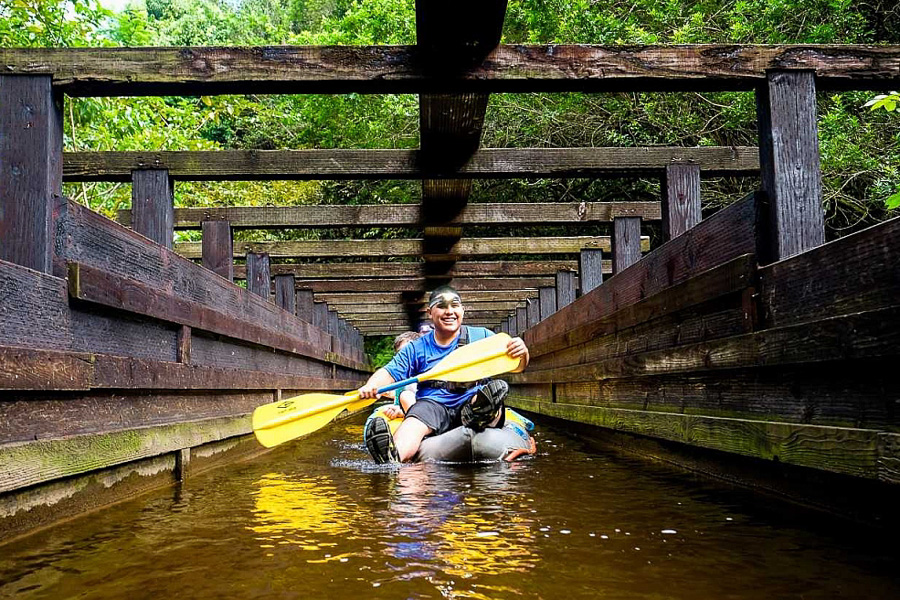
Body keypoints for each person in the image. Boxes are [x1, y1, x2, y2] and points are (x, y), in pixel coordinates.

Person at [360, 285, 530, 463]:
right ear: (430, 312)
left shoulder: (483, 336)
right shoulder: (416, 348)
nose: (449, 312)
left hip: (472, 397)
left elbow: (518, 367)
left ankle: (479, 414)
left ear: (462, 310)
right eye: (441, 306)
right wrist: (371, 386)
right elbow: (389, 371)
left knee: (484, 397)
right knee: (415, 420)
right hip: (433, 404)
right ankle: (392, 457)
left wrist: (523, 353)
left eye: (455, 306)